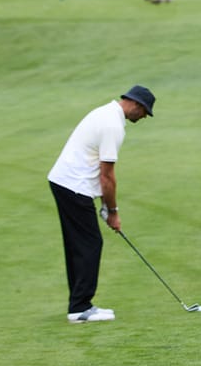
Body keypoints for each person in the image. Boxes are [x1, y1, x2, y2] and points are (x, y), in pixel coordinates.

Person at [48, 85, 155, 323]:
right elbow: (107, 176)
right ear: (136, 105)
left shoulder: (106, 113)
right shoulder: (112, 125)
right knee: (90, 244)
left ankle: (78, 304)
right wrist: (113, 212)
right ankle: (80, 307)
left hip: (65, 182)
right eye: (145, 112)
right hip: (74, 185)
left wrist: (106, 209)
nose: (144, 117)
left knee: (79, 244)